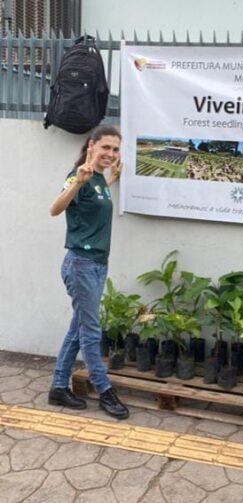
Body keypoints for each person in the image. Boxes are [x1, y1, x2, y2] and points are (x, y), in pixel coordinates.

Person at [48, 124, 129, 420]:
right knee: (91, 331)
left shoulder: (96, 179)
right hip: (81, 264)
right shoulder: (79, 175)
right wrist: (76, 183)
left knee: (78, 327)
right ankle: (104, 390)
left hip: (96, 264)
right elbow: (55, 209)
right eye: (106, 147)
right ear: (91, 145)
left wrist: (111, 180)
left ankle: (58, 387)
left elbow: (92, 206)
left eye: (115, 149)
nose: (110, 153)